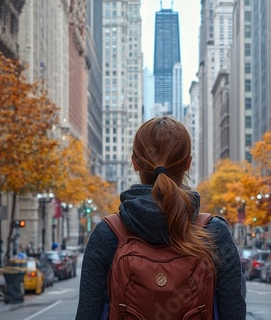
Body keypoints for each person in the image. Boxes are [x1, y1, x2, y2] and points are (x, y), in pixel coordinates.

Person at [75, 116, 246, 319]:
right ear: (188, 164)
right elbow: (233, 312)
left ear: (135, 163)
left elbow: (87, 313)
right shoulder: (213, 232)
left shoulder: (108, 233)